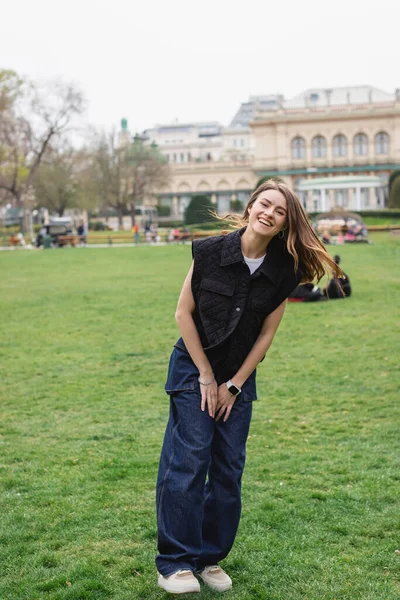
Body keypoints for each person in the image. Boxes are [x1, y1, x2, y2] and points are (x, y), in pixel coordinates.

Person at [155, 180, 343, 594]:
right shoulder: (208, 252)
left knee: (228, 469)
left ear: (284, 224)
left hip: (239, 375)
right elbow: (182, 314)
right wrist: (206, 376)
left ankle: (208, 559)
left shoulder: (284, 272)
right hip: (193, 367)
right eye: (265, 204)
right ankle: (174, 562)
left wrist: (235, 385)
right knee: (190, 459)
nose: (270, 213)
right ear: (250, 206)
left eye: (280, 211)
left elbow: (265, 335)